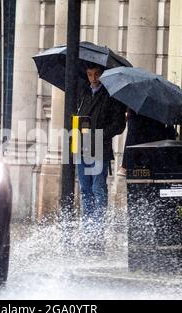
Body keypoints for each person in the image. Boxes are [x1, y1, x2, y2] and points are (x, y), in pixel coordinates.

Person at [75, 62, 127, 254]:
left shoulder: (111, 96)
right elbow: (76, 117)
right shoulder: (83, 94)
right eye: (90, 74)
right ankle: (88, 231)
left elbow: (119, 124)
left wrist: (100, 134)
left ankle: (97, 232)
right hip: (81, 147)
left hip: (99, 147)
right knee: (85, 189)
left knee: (98, 188)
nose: (93, 78)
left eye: (96, 74)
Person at [118, 109, 177, 176]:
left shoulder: (137, 109)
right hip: (155, 152)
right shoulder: (160, 109)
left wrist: (125, 164)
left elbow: (131, 136)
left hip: (140, 153)